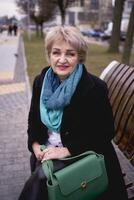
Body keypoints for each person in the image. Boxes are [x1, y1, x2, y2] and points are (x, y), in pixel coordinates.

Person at [18, 25, 128, 200]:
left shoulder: (94, 88)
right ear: (49, 55)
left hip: (82, 155)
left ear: (80, 57)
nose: (62, 59)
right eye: (56, 53)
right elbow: (33, 121)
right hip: (47, 151)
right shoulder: (41, 81)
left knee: (40, 181)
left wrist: (66, 150)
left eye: (70, 53)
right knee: (41, 176)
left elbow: (105, 132)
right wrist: (35, 145)